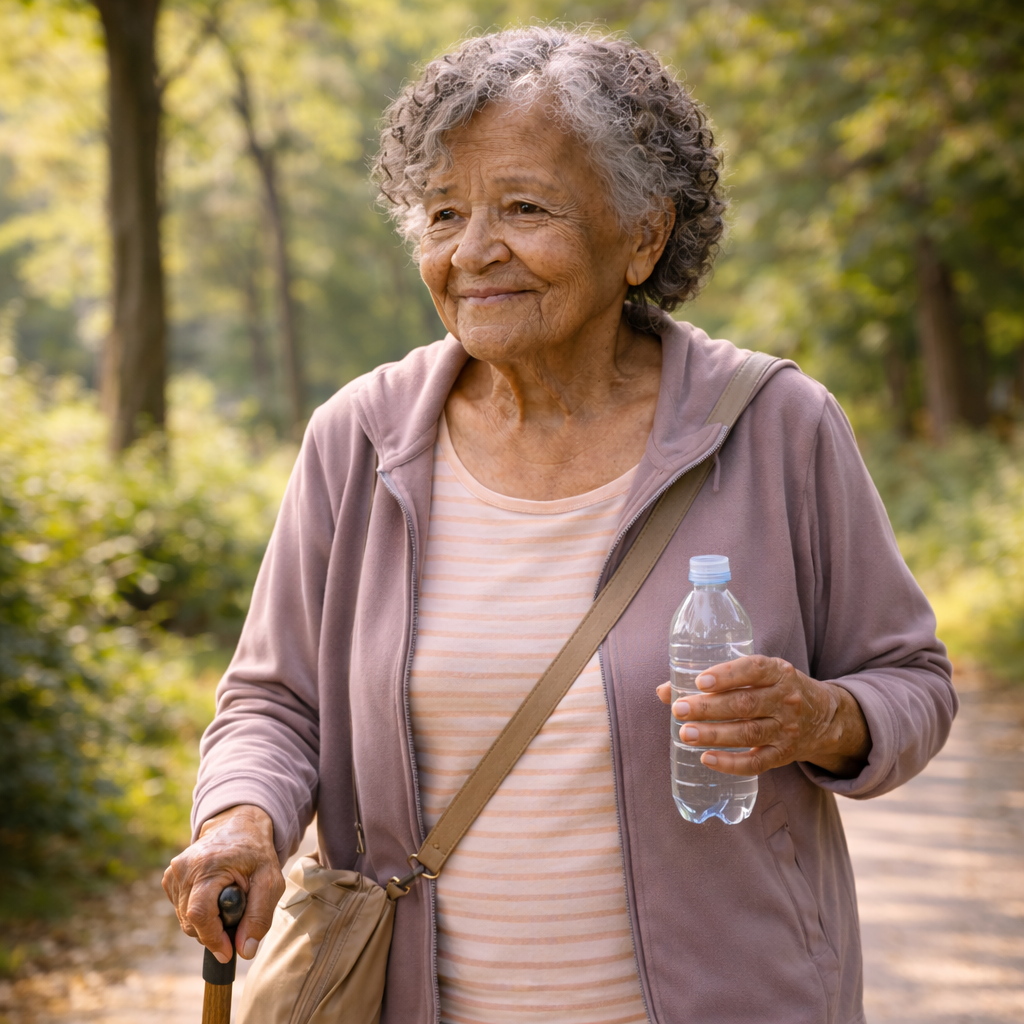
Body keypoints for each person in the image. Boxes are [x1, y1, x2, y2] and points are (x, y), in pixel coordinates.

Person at [163, 26, 956, 1024]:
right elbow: (274, 704)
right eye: (443, 213)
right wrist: (241, 820)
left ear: (642, 235)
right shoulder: (358, 439)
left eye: (523, 208)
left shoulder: (776, 425)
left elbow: (911, 680)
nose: (474, 250)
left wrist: (824, 720)